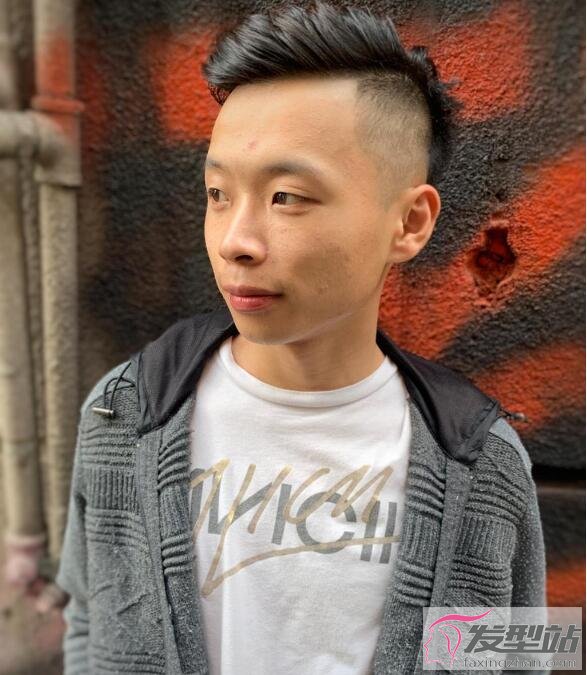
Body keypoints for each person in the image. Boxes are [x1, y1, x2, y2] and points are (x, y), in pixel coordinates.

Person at [55, 2, 549, 674]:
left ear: (409, 222)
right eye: (217, 193)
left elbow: (517, 655)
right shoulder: (125, 415)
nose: (235, 241)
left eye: (286, 196)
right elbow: (88, 619)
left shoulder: (480, 463)